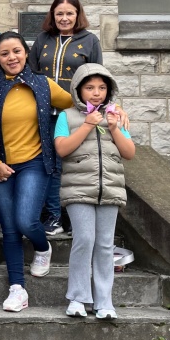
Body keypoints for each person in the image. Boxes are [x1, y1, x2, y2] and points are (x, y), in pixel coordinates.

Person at [0, 32, 73, 313]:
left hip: (35, 163)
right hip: (0, 165)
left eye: (16, 51)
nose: (11, 57)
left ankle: (43, 246)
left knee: (26, 221)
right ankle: (17, 289)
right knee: (9, 229)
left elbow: (77, 105)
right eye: (4, 54)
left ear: (25, 53)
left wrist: (112, 109)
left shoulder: (43, 85)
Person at [55, 63, 135, 320]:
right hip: (78, 191)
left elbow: (129, 152)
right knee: (84, 239)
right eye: (90, 87)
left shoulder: (115, 115)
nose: (96, 93)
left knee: (104, 245)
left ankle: (104, 302)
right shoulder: (66, 116)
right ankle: (78, 298)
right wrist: (88, 125)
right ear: (78, 90)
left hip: (109, 191)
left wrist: (113, 127)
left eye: (102, 87)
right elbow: (62, 149)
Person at [28, 0, 103, 236]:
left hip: (75, 114)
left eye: (69, 13)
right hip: (44, 113)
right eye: (59, 13)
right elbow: (31, 74)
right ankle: (54, 216)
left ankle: (66, 217)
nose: (64, 18)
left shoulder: (90, 41)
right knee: (49, 164)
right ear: (53, 15)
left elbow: (98, 78)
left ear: (77, 15)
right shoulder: (43, 40)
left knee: (70, 166)